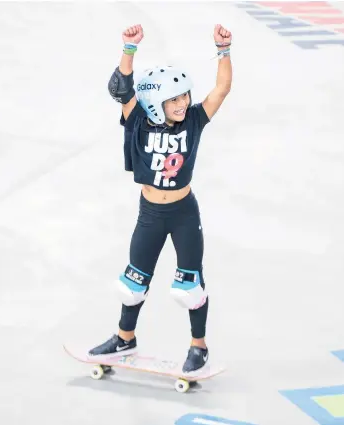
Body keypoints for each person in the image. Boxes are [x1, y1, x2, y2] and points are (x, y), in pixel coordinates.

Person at [88, 24, 232, 376]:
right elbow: (121, 87)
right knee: (132, 282)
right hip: (150, 213)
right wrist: (129, 48)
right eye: (175, 98)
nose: (184, 103)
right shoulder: (137, 120)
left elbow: (222, 89)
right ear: (155, 103)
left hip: (183, 212)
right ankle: (125, 339)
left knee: (190, 286)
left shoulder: (194, 120)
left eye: (184, 95)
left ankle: (199, 347)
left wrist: (223, 49)